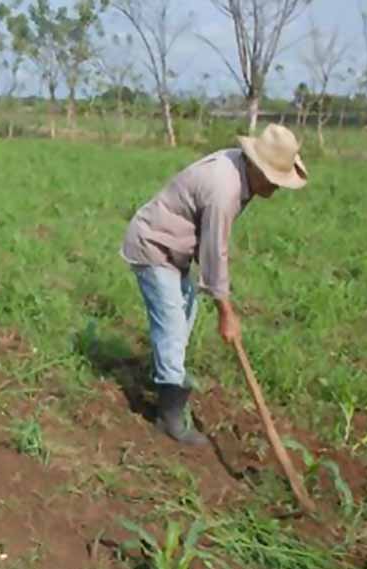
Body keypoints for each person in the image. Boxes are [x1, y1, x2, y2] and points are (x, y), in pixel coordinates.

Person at [121, 124, 309, 446]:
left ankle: (169, 376)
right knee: (171, 325)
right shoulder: (225, 189)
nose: (277, 189)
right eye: (275, 180)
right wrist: (226, 313)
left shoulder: (239, 171)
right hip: (154, 245)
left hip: (175, 248)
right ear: (257, 167)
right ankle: (169, 416)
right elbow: (214, 253)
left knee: (185, 314)